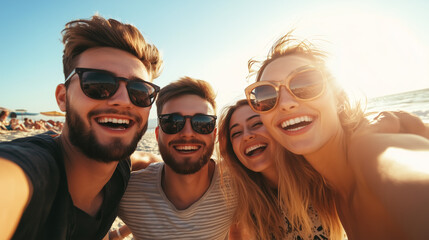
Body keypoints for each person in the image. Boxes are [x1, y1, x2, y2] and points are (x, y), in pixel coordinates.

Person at [244, 32, 429, 239]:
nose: (286, 103)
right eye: (266, 95)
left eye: (305, 84)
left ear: (339, 96)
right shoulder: (332, 193)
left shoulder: (369, 150)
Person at [0, 15, 162, 240]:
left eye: (140, 92)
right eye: (99, 84)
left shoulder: (119, 170)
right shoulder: (33, 168)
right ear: (63, 97)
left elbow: (145, 159)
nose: (124, 100)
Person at [116, 77, 237, 240]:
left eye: (202, 123)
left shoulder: (237, 187)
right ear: (158, 134)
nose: (187, 132)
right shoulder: (126, 192)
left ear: (214, 134)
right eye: (173, 122)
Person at [218, 99, 331, 240]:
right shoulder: (244, 207)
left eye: (257, 124)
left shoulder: (322, 179)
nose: (247, 136)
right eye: (236, 133)